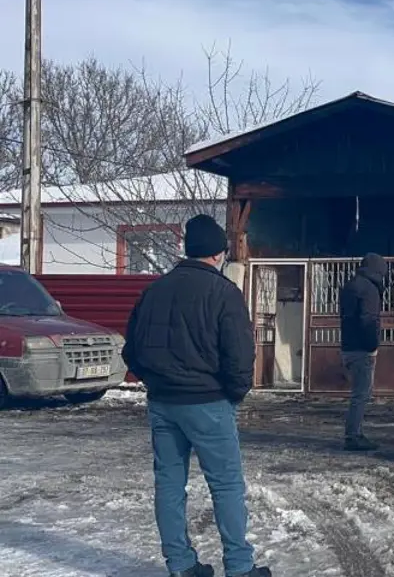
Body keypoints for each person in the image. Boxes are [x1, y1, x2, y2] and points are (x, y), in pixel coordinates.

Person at [123, 214, 270, 577]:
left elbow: (132, 351)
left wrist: (156, 381)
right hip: (208, 402)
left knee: (169, 484)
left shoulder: (154, 291)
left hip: (163, 403)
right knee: (226, 485)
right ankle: (238, 567)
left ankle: (181, 566)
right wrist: (232, 395)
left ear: (187, 250)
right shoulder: (224, 293)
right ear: (219, 253)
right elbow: (240, 355)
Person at [339, 252, 387, 452]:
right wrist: (372, 345)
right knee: (360, 395)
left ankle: (355, 433)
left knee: (358, 393)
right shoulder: (369, 289)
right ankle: (353, 436)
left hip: (348, 345)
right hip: (362, 349)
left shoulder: (349, 286)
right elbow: (369, 320)